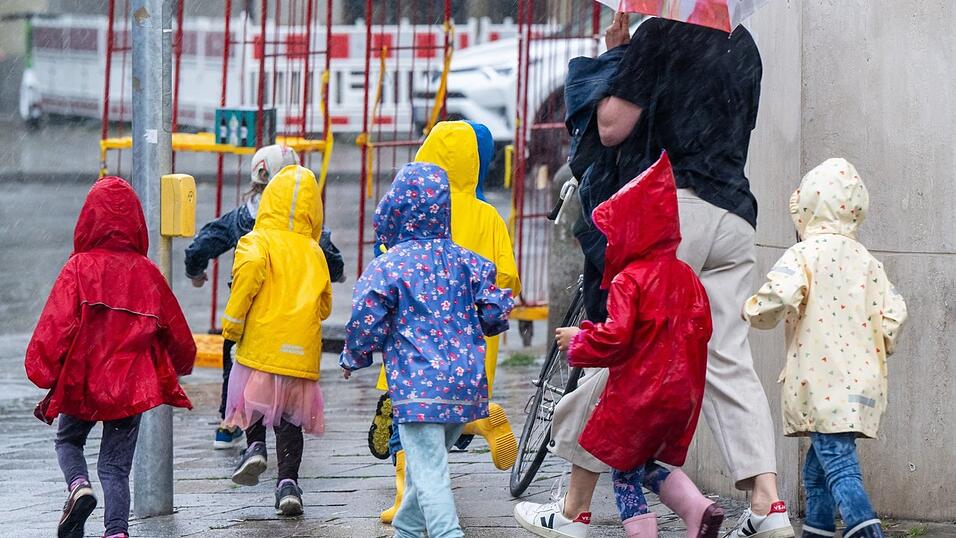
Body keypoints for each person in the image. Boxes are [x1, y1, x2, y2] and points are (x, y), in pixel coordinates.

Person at [515, 13, 795, 538]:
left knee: (629, 351)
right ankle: (767, 503)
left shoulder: (659, 33)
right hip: (735, 216)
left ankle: (573, 509)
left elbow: (612, 126)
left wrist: (618, 54)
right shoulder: (744, 44)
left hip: (675, 215)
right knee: (728, 360)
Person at [546, 154, 722, 538]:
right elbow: (701, 329)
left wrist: (580, 341)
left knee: (623, 472)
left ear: (632, 233)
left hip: (640, 393)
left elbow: (617, 338)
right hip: (681, 392)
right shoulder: (685, 275)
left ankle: (649, 529)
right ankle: (697, 509)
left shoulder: (630, 280)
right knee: (640, 463)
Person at [340, 162, 513, 538]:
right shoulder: (466, 261)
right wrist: (488, 321)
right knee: (426, 470)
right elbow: (495, 308)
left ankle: (448, 533)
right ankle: (407, 529)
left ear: (395, 209)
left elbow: (366, 316)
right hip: (465, 386)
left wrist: (354, 356)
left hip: (418, 389)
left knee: (430, 472)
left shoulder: (389, 266)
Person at [25, 177, 196, 538]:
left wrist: (42, 369)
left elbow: (56, 325)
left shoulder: (78, 268)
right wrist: (182, 362)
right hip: (130, 386)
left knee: (69, 441)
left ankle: (78, 486)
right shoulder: (146, 273)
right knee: (116, 467)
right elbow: (175, 328)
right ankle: (116, 531)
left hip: (83, 380)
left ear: (89, 219)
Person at [744, 158, 907, 538]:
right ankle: (816, 531)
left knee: (839, 466)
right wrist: (878, 343)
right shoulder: (868, 262)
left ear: (806, 208)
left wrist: (751, 310)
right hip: (861, 383)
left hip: (821, 383)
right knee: (817, 474)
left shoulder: (805, 254)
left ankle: (868, 532)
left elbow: (779, 293)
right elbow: (895, 312)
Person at [369, 120, 522, 523]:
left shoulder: (415, 214)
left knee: (408, 420)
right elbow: (507, 278)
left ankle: (406, 500)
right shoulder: (488, 216)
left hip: (413, 340)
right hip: (467, 343)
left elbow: (388, 267)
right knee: (450, 410)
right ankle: (480, 419)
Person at [183, 144, 344, 450]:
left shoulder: (242, 218)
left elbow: (204, 242)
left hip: (252, 312)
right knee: (291, 372)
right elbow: (330, 259)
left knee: (237, 363)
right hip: (295, 320)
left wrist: (196, 271)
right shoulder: (308, 229)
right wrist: (336, 273)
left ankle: (231, 420)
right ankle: (288, 427)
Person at [221, 165, 332, 517]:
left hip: (262, 343)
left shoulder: (256, 242)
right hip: (300, 352)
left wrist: (232, 326)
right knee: (289, 421)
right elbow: (325, 306)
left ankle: (255, 447)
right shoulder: (314, 251)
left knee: (252, 400)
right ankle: (288, 485)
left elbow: (247, 279)